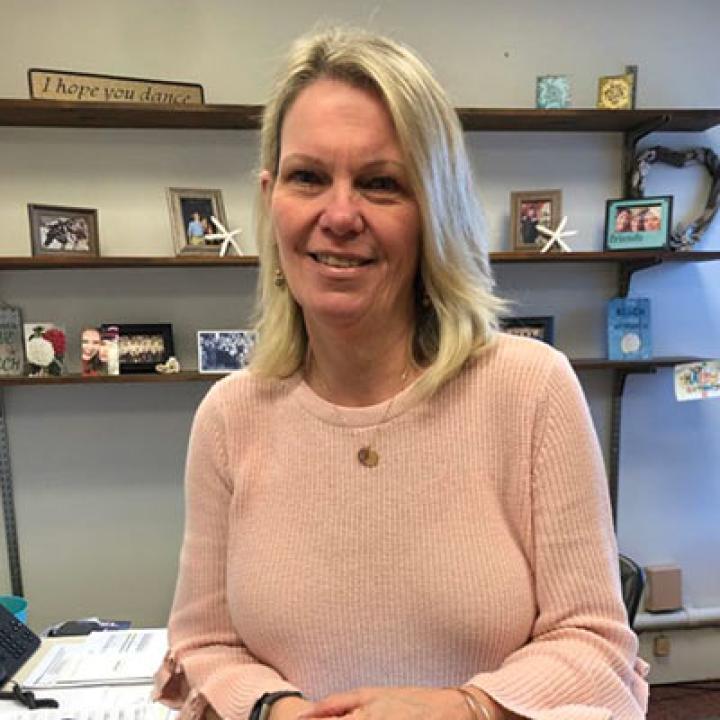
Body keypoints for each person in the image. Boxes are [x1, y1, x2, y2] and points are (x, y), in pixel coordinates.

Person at [154, 27, 648, 720]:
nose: (340, 215)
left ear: (432, 209)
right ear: (271, 199)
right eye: (308, 177)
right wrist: (276, 711)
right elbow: (205, 643)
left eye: (382, 184)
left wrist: (464, 708)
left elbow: (594, 645)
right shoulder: (230, 416)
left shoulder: (531, 390)